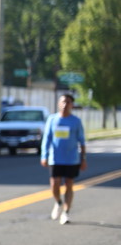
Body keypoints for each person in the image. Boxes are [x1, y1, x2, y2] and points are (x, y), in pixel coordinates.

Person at [41, 92, 87, 224]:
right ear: (58, 103)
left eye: (68, 102)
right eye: (63, 101)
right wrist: (44, 155)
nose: (65, 104)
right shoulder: (52, 119)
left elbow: (82, 141)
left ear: (72, 105)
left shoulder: (76, 121)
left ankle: (66, 212)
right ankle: (58, 202)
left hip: (71, 159)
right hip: (55, 158)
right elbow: (47, 139)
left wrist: (83, 159)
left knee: (69, 185)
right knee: (55, 183)